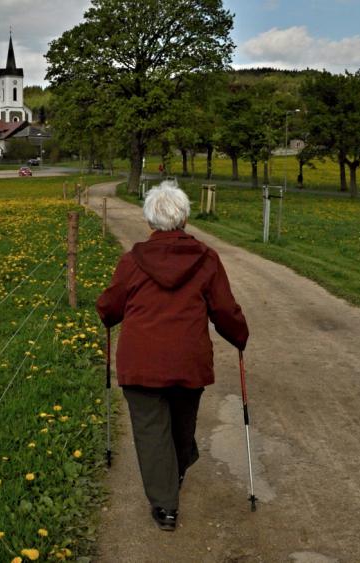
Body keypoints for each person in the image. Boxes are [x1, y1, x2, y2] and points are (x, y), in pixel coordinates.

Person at [96, 180, 249, 532]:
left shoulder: (132, 260)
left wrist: (105, 312)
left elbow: (111, 304)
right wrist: (238, 335)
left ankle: (166, 490)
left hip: (141, 362)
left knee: (155, 431)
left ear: (150, 221)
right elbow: (225, 310)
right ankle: (169, 493)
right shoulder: (207, 259)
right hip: (187, 361)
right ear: (184, 219)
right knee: (181, 424)